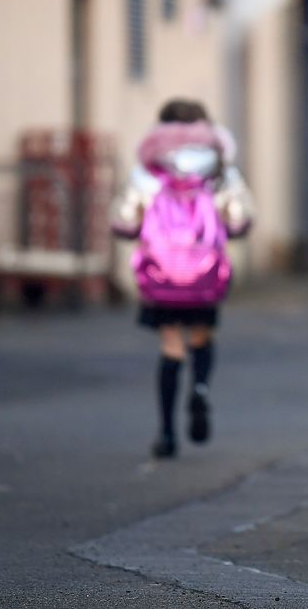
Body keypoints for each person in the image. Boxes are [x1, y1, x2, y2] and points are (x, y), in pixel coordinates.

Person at [112, 99, 253, 459]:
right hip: (205, 276)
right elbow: (239, 222)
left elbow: (125, 223)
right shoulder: (220, 170)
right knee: (202, 337)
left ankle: (167, 433)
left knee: (171, 344)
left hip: (162, 276)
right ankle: (201, 388)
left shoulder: (148, 171)